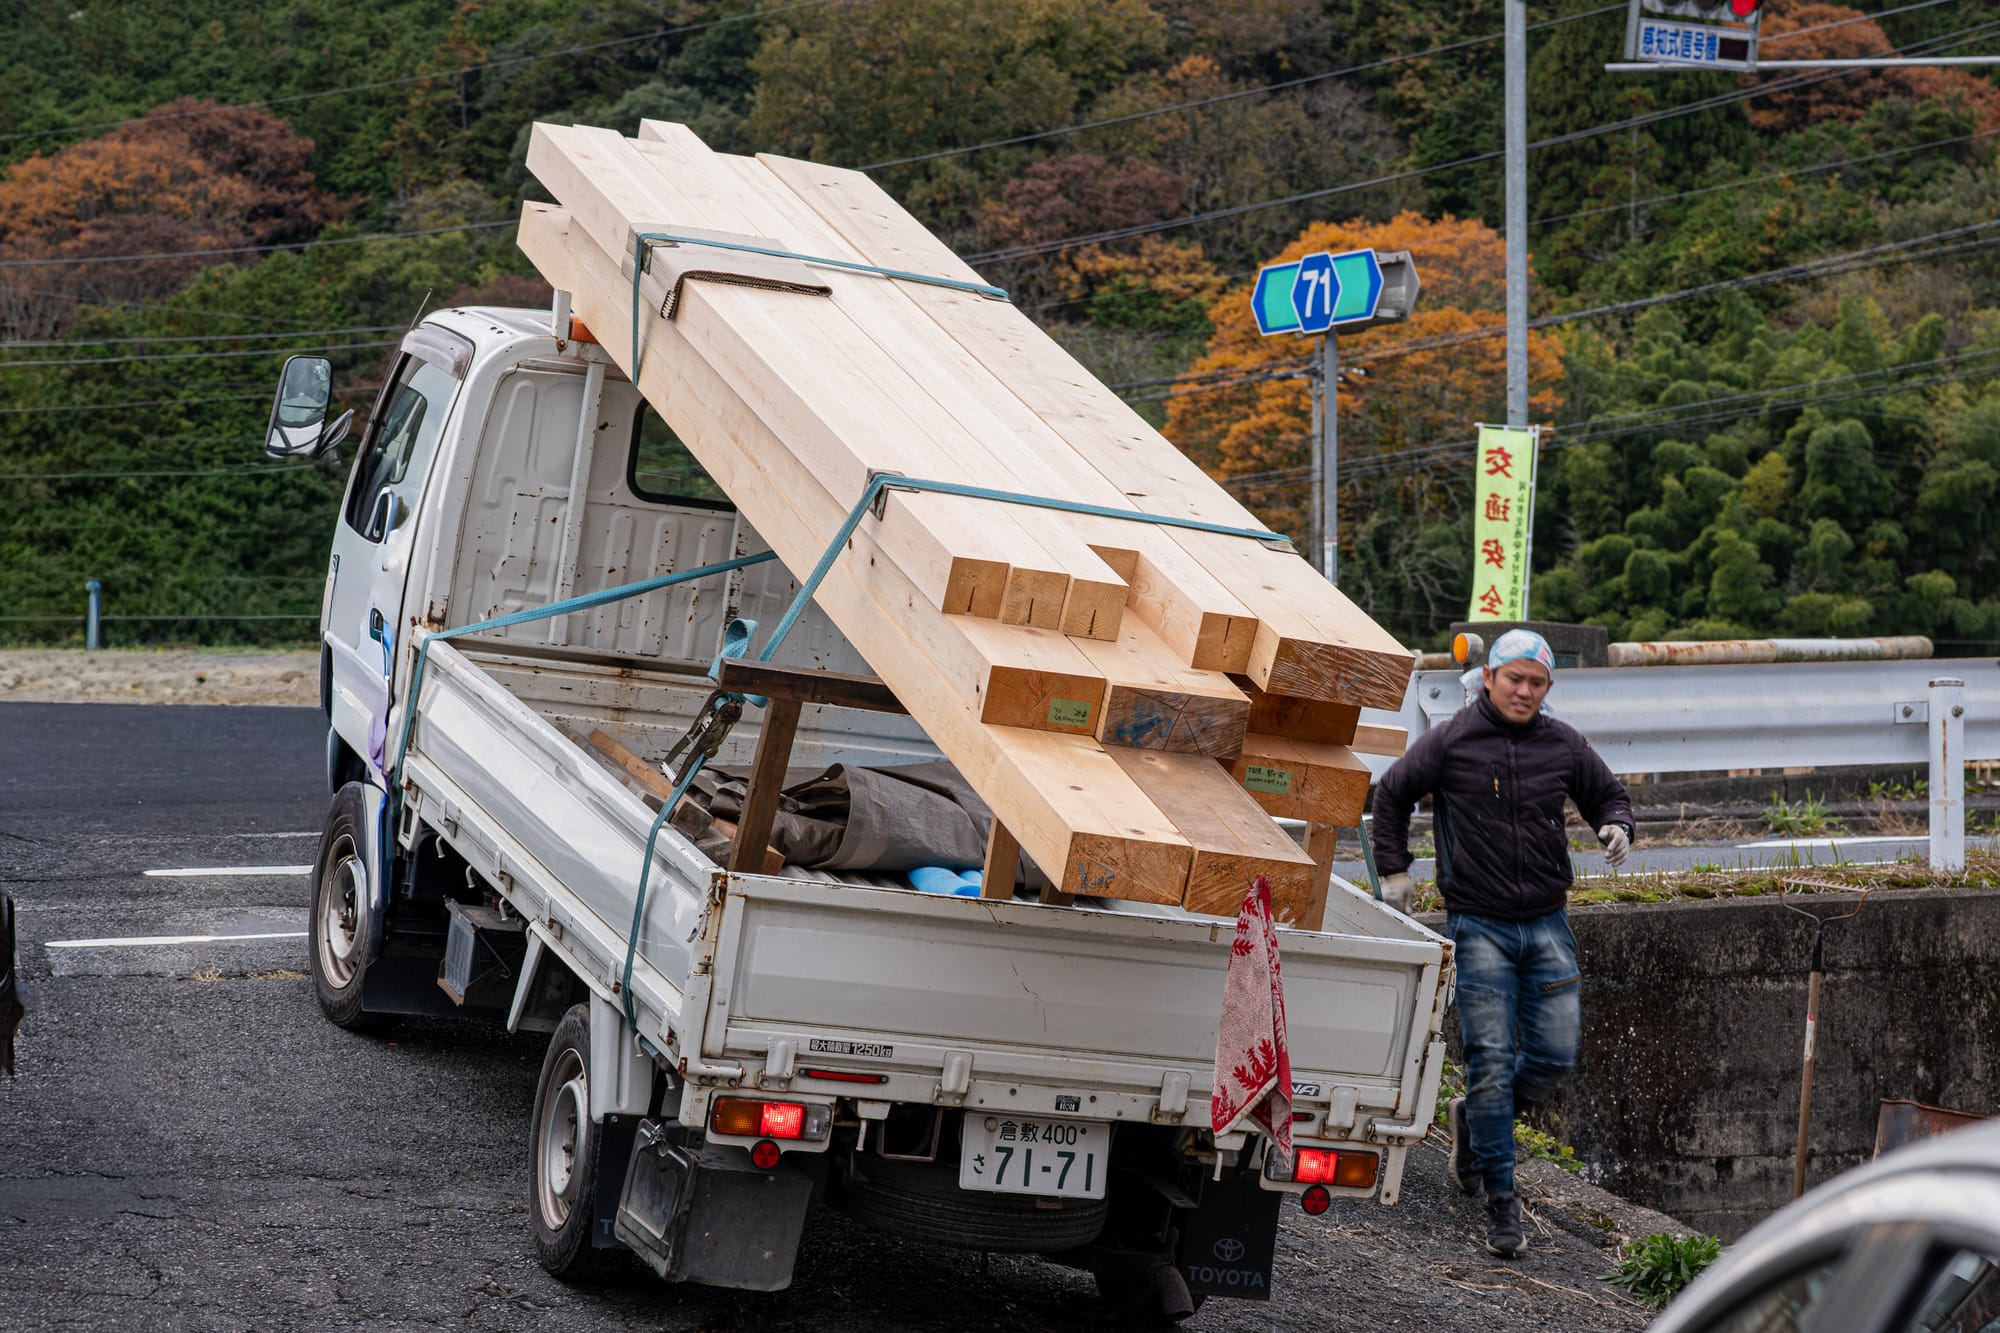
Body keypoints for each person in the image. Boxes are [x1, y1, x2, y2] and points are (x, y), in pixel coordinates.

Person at [1369, 628, 1633, 1259]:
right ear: (1488, 678)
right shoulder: (1454, 740)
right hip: (1478, 924)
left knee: (1555, 1055)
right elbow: (1392, 794)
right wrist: (1396, 868)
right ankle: (1502, 1203)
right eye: (1513, 678)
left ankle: (1472, 1122)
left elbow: (1607, 792)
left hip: (1547, 921)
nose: (1524, 690)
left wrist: (1616, 824)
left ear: (1547, 689)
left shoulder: (1562, 743)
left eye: (1536, 683)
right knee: (1490, 1064)